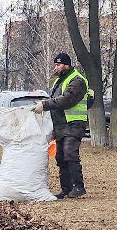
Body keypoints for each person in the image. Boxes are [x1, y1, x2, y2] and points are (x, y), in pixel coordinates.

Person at [35, 52, 89, 199]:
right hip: (61, 125)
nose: (56, 68)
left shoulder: (77, 80)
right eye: (55, 65)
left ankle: (79, 186)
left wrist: (45, 105)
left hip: (74, 123)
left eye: (58, 65)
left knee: (70, 153)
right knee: (60, 157)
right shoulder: (59, 81)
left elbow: (67, 100)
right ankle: (66, 189)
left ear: (67, 65)